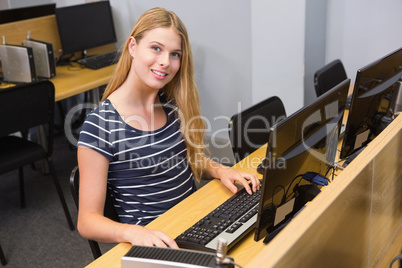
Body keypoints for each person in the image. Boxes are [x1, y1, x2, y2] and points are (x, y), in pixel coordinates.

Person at [77, 7, 260, 249]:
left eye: (175, 54)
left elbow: (186, 159)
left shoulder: (170, 106)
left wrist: (220, 170)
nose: (165, 62)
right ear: (133, 47)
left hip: (192, 223)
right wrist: (132, 233)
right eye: (156, 48)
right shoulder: (101, 126)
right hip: (155, 242)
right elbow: (87, 221)